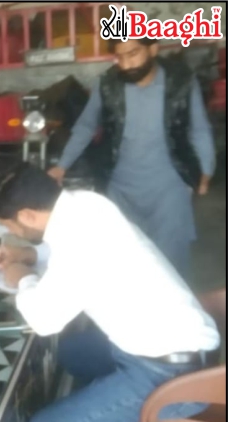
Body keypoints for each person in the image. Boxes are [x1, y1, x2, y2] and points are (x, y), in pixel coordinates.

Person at [0, 161, 220, 422]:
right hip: (171, 343)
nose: (12, 233)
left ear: (27, 215)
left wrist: (22, 276)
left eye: (9, 226)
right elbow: (71, 255)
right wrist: (30, 254)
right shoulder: (85, 203)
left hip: (170, 376)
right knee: (71, 352)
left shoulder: (78, 241)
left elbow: (44, 321)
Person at [47, 37, 216, 281]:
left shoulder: (181, 82)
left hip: (169, 188)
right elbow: (85, 127)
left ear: (153, 49)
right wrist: (62, 166)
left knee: (172, 262)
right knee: (125, 259)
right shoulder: (107, 84)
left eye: (133, 54)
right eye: (120, 57)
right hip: (120, 188)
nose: (126, 64)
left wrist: (205, 171)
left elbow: (199, 129)